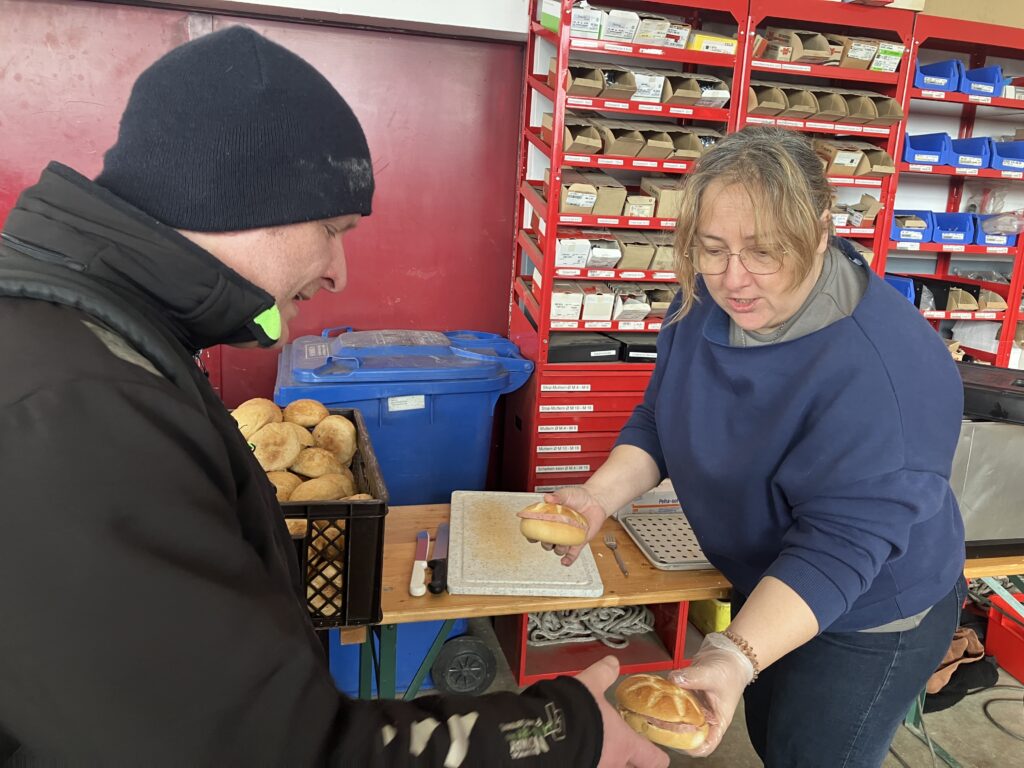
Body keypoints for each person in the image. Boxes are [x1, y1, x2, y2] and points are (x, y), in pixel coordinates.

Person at [0, 26, 667, 768]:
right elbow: (262, 752)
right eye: (331, 229)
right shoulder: (74, 404)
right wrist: (559, 732)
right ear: (238, 196)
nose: (338, 272)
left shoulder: (97, 340)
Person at [543, 127, 967, 766]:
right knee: (772, 737)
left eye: (764, 252)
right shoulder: (703, 302)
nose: (733, 280)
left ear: (819, 231)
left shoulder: (889, 371)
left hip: (870, 609)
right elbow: (661, 416)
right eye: (712, 249)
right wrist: (597, 498)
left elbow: (840, 547)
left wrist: (733, 655)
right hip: (768, 573)